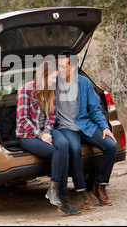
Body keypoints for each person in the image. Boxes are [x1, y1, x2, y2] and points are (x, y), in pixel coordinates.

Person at [56, 51, 118, 211]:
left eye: (64, 67)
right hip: (65, 127)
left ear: (74, 67)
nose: (60, 70)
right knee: (75, 149)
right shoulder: (54, 83)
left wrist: (105, 127)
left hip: (84, 124)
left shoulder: (83, 82)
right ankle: (81, 191)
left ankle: (100, 186)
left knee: (111, 146)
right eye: (59, 66)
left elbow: (94, 108)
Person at [16, 61, 80, 216]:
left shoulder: (51, 91)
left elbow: (51, 117)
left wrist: (47, 131)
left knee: (63, 145)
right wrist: (40, 134)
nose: (53, 81)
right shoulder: (26, 90)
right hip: (28, 134)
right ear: (43, 76)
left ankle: (53, 189)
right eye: (52, 78)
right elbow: (23, 119)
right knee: (58, 153)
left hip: (47, 129)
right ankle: (64, 199)